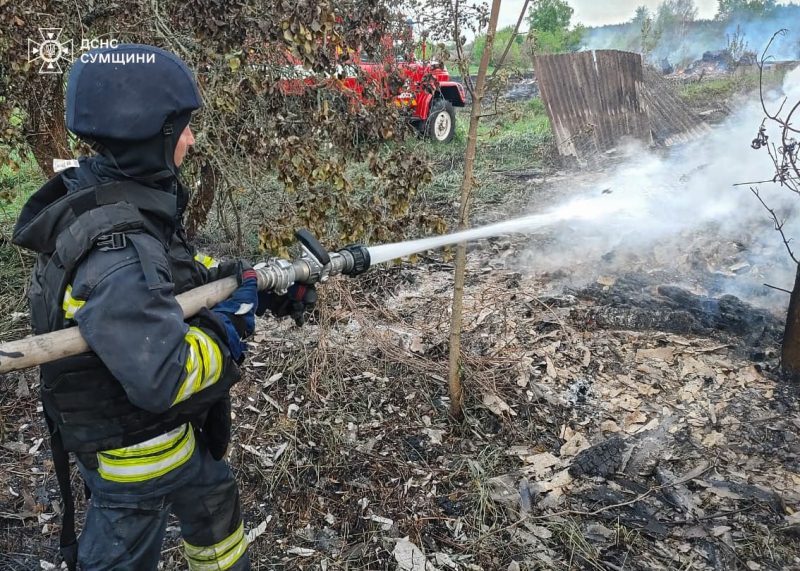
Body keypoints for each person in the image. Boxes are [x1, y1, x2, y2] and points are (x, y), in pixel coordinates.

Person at [12, 44, 316, 570]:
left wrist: (253, 285)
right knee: (124, 551)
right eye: (182, 126)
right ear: (147, 133)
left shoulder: (115, 197)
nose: (192, 139)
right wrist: (231, 322)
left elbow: (177, 275)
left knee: (213, 498)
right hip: (136, 457)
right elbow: (164, 376)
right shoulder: (118, 251)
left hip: (160, 439)